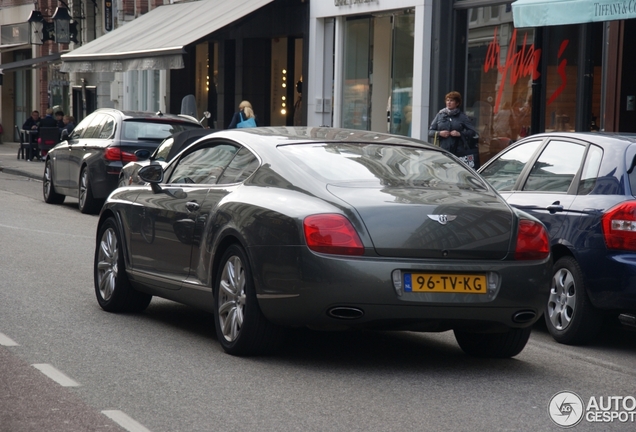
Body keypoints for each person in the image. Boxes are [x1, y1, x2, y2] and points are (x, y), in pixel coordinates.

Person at [428, 91, 477, 156]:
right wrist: (439, 133)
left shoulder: (462, 117)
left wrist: (460, 134)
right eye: (447, 100)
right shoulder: (440, 115)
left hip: (458, 151)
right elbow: (430, 132)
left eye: (451, 100)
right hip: (442, 150)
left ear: (457, 103)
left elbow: (472, 132)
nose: (449, 102)